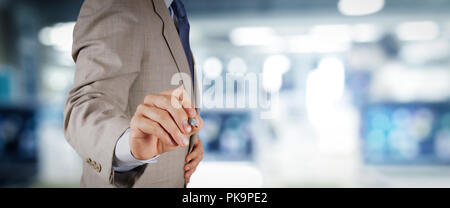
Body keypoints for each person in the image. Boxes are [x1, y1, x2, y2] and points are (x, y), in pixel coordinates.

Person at [64, 0, 204, 188]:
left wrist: (188, 138)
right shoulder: (118, 3)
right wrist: (128, 146)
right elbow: (85, 107)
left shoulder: (171, 13)